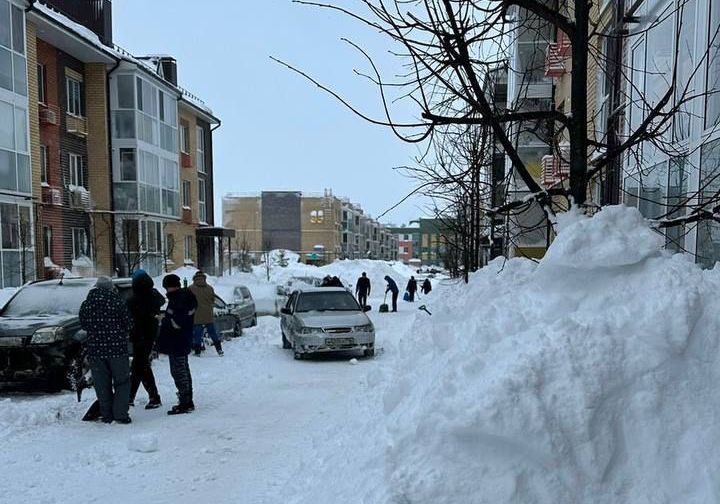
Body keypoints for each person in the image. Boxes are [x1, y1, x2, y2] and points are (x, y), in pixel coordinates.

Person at [78, 276, 132, 424]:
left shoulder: (87, 304)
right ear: (110, 287)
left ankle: (107, 415)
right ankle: (121, 414)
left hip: (96, 350)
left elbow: (83, 324)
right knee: (122, 382)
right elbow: (128, 323)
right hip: (117, 350)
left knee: (102, 384)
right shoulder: (117, 302)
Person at [156, 274, 198, 415]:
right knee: (183, 369)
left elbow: (178, 322)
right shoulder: (185, 297)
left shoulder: (179, 299)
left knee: (179, 371)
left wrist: (164, 320)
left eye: (166, 287)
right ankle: (187, 400)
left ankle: (185, 402)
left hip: (177, 341)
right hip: (182, 340)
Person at [127, 269, 165, 410]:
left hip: (139, 335)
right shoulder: (154, 295)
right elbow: (161, 302)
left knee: (141, 365)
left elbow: (129, 313)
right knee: (139, 365)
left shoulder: (134, 299)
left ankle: (154, 397)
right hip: (150, 334)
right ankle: (131, 396)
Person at [188, 271, 223, 356]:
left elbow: (187, 301)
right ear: (204, 278)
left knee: (197, 335)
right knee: (213, 333)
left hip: (196, 315)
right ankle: (219, 350)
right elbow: (212, 300)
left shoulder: (191, 288)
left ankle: (197, 352)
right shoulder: (210, 288)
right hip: (208, 315)